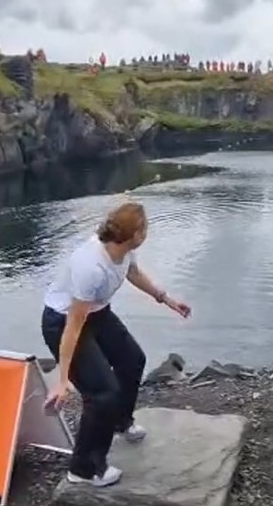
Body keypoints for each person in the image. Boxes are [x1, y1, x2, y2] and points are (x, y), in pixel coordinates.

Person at [42, 202, 192, 488]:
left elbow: (132, 273)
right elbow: (73, 326)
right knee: (103, 393)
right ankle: (83, 469)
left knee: (133, 360)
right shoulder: (91, 266)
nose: (146, 233)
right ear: (134, 234)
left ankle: (121, 421)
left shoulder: (123, 250)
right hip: (63, 323)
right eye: (144, 228)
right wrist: (62, 380)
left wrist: (167, 299)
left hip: (97, 315)